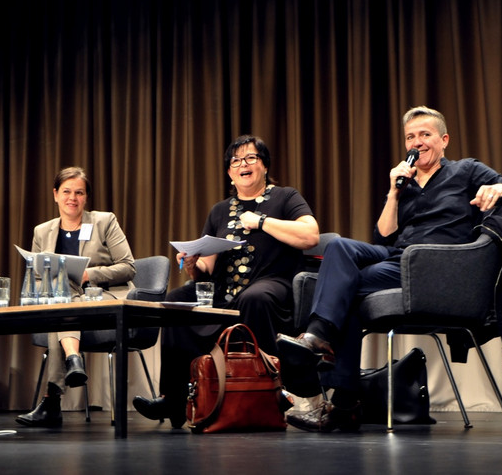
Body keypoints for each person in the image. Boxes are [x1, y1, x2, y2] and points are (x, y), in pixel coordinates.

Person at [276, 106, 502, 433]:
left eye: (425, 135)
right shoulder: (407, 182)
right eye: (410, 137)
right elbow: (384, 236)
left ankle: (338, 387)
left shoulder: (467, 170)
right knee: (339, 247)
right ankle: (323, 347)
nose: (417, 143)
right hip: (397, 258)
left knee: (340, 291)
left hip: (439, 266)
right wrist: (393, 191)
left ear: (443, 140)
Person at [133, 134, 320, 428]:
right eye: (235, 161)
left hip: (273, 285)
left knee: (254, 297)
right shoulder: (220, 210)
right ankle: (174, 398)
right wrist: (193, 264)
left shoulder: (285, 197)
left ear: (264, 165)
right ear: (229, 172)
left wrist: (261, 222)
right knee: (178, 299)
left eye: (250, 158)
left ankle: (267, 392)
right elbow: (206, 267)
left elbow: (310, 235)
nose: (242, 165)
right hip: (224, 293)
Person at [16, 166, 136, 427]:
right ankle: (72, 360)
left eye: (79, 193)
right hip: (65, 302)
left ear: (86, 197)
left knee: (62, 296)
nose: (72, 198)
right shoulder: (42, 231)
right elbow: (37, 276)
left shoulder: (104, 221)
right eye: (67, 191)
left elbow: (128, 266)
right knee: (59, 290)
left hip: (103, 298)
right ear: (55, 194)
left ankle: (52, 400)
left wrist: (88, 275)